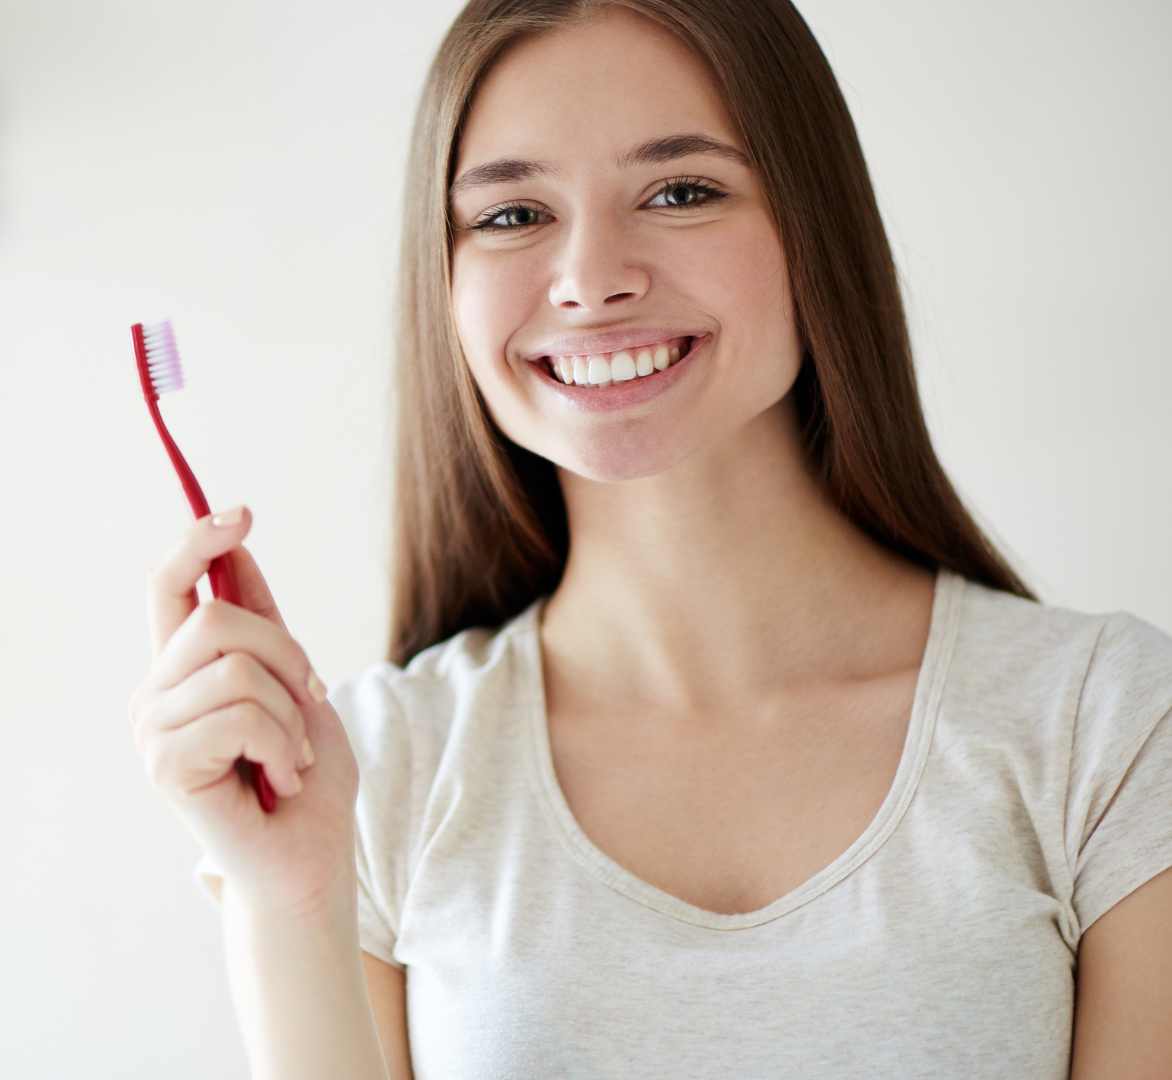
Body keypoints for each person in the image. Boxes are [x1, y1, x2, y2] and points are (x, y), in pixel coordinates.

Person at [126, 0, 1172, 1076]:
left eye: (681, 192)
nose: (590, 279)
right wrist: (292, 897)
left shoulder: (1109, 728)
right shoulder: (376, 770)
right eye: (511, 216)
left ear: (816, 225)